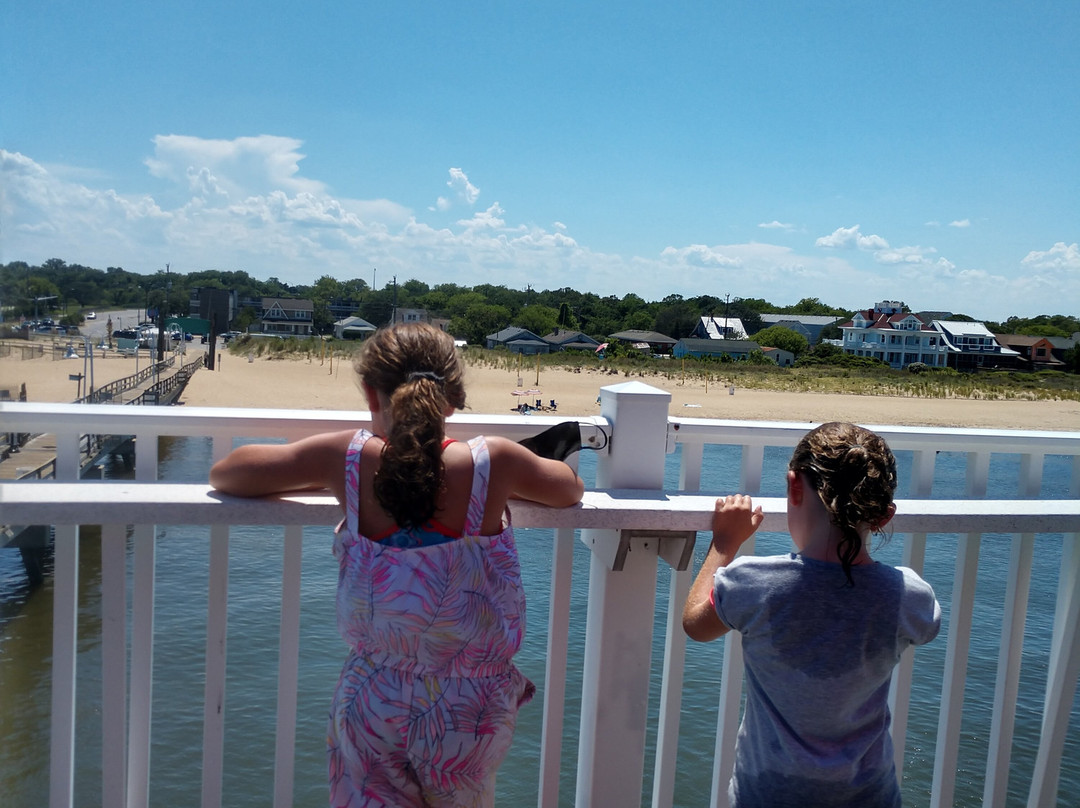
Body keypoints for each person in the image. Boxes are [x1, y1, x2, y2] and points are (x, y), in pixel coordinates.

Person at [210, 322, 584, 808]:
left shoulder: (345, 458)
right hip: (468, 709)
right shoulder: (494, 461)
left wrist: (323, 478)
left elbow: (230, 472)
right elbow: (568, 489)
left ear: (371, 393)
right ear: (453, 398)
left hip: (373, 696)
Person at [682, 422, 940, 808]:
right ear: (885, 516)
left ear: (793, 487)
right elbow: (927, 626)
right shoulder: (907, 596)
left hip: (767, 795)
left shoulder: (753, 583)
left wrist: (724, 544)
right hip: (868, 796)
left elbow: (696, 624)